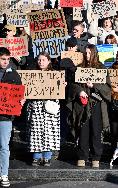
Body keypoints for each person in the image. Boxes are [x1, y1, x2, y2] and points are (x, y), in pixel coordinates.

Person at [67, 44, 111, 168]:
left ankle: (96, 157)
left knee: (96, 131)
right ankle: (82, 155)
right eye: (85, 53)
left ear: (94, 53)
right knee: (83, 130)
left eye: (89, 53)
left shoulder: (101, 68)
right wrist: (79, 91)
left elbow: (107, 87)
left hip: (96, 103)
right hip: (82, 104)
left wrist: (94, 86)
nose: (87, 55)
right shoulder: (79, 68)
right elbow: (72, 85)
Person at [26, 52, 61, 167]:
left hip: (50, 106)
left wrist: (62, 84)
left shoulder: (55, 74)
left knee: (49, 132)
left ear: (49, 61)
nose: (41, 62)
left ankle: (47, 157)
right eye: (39, 60)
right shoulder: (32, 73)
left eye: (43, 60)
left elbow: (59, 91)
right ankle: (36, 156)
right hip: (36, 105)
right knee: (36, 131)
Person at [0, 47, 24, 187]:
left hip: (5, 116)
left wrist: (21, 100)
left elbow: (20, 93)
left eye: (8, 59)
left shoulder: (14, 74)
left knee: (4, 146)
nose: (6, 62)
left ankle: (4, 174)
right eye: (3, 59)